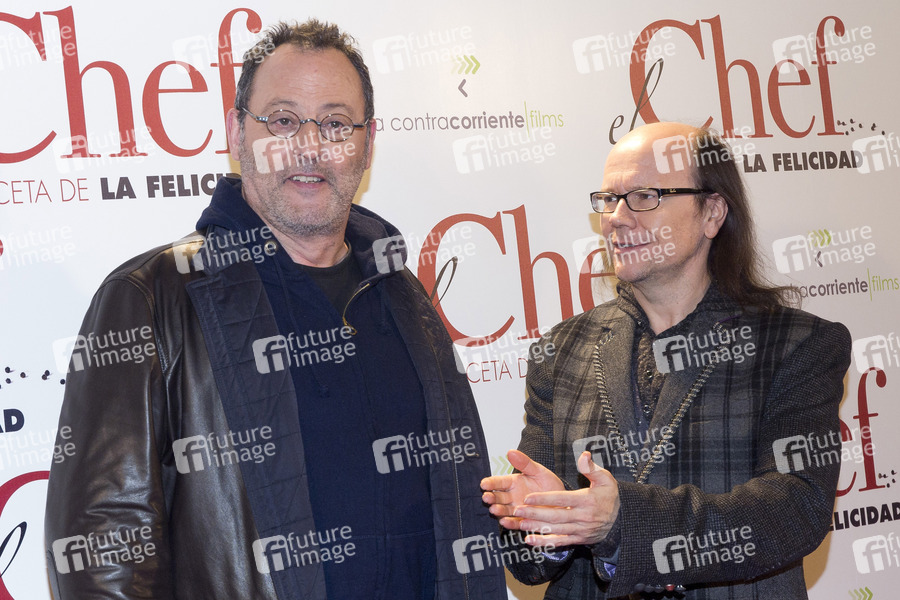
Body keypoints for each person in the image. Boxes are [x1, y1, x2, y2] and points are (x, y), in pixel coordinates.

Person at [45, 20, 506, 599]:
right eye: (284, 121)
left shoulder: (401, 296)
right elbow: (104, 554)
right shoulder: (149, 298)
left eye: (336, 124)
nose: (309, 146)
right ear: (237, 133)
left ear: (366, 144)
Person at [481, 122, 851, 599]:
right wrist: (544, 519)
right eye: (608, 199)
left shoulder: (797, 344)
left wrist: (622, 523)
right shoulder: (562, 349)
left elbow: (795, 508)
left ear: (712, 213)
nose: (616, 218)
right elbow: (527, 564)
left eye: (644, 196)